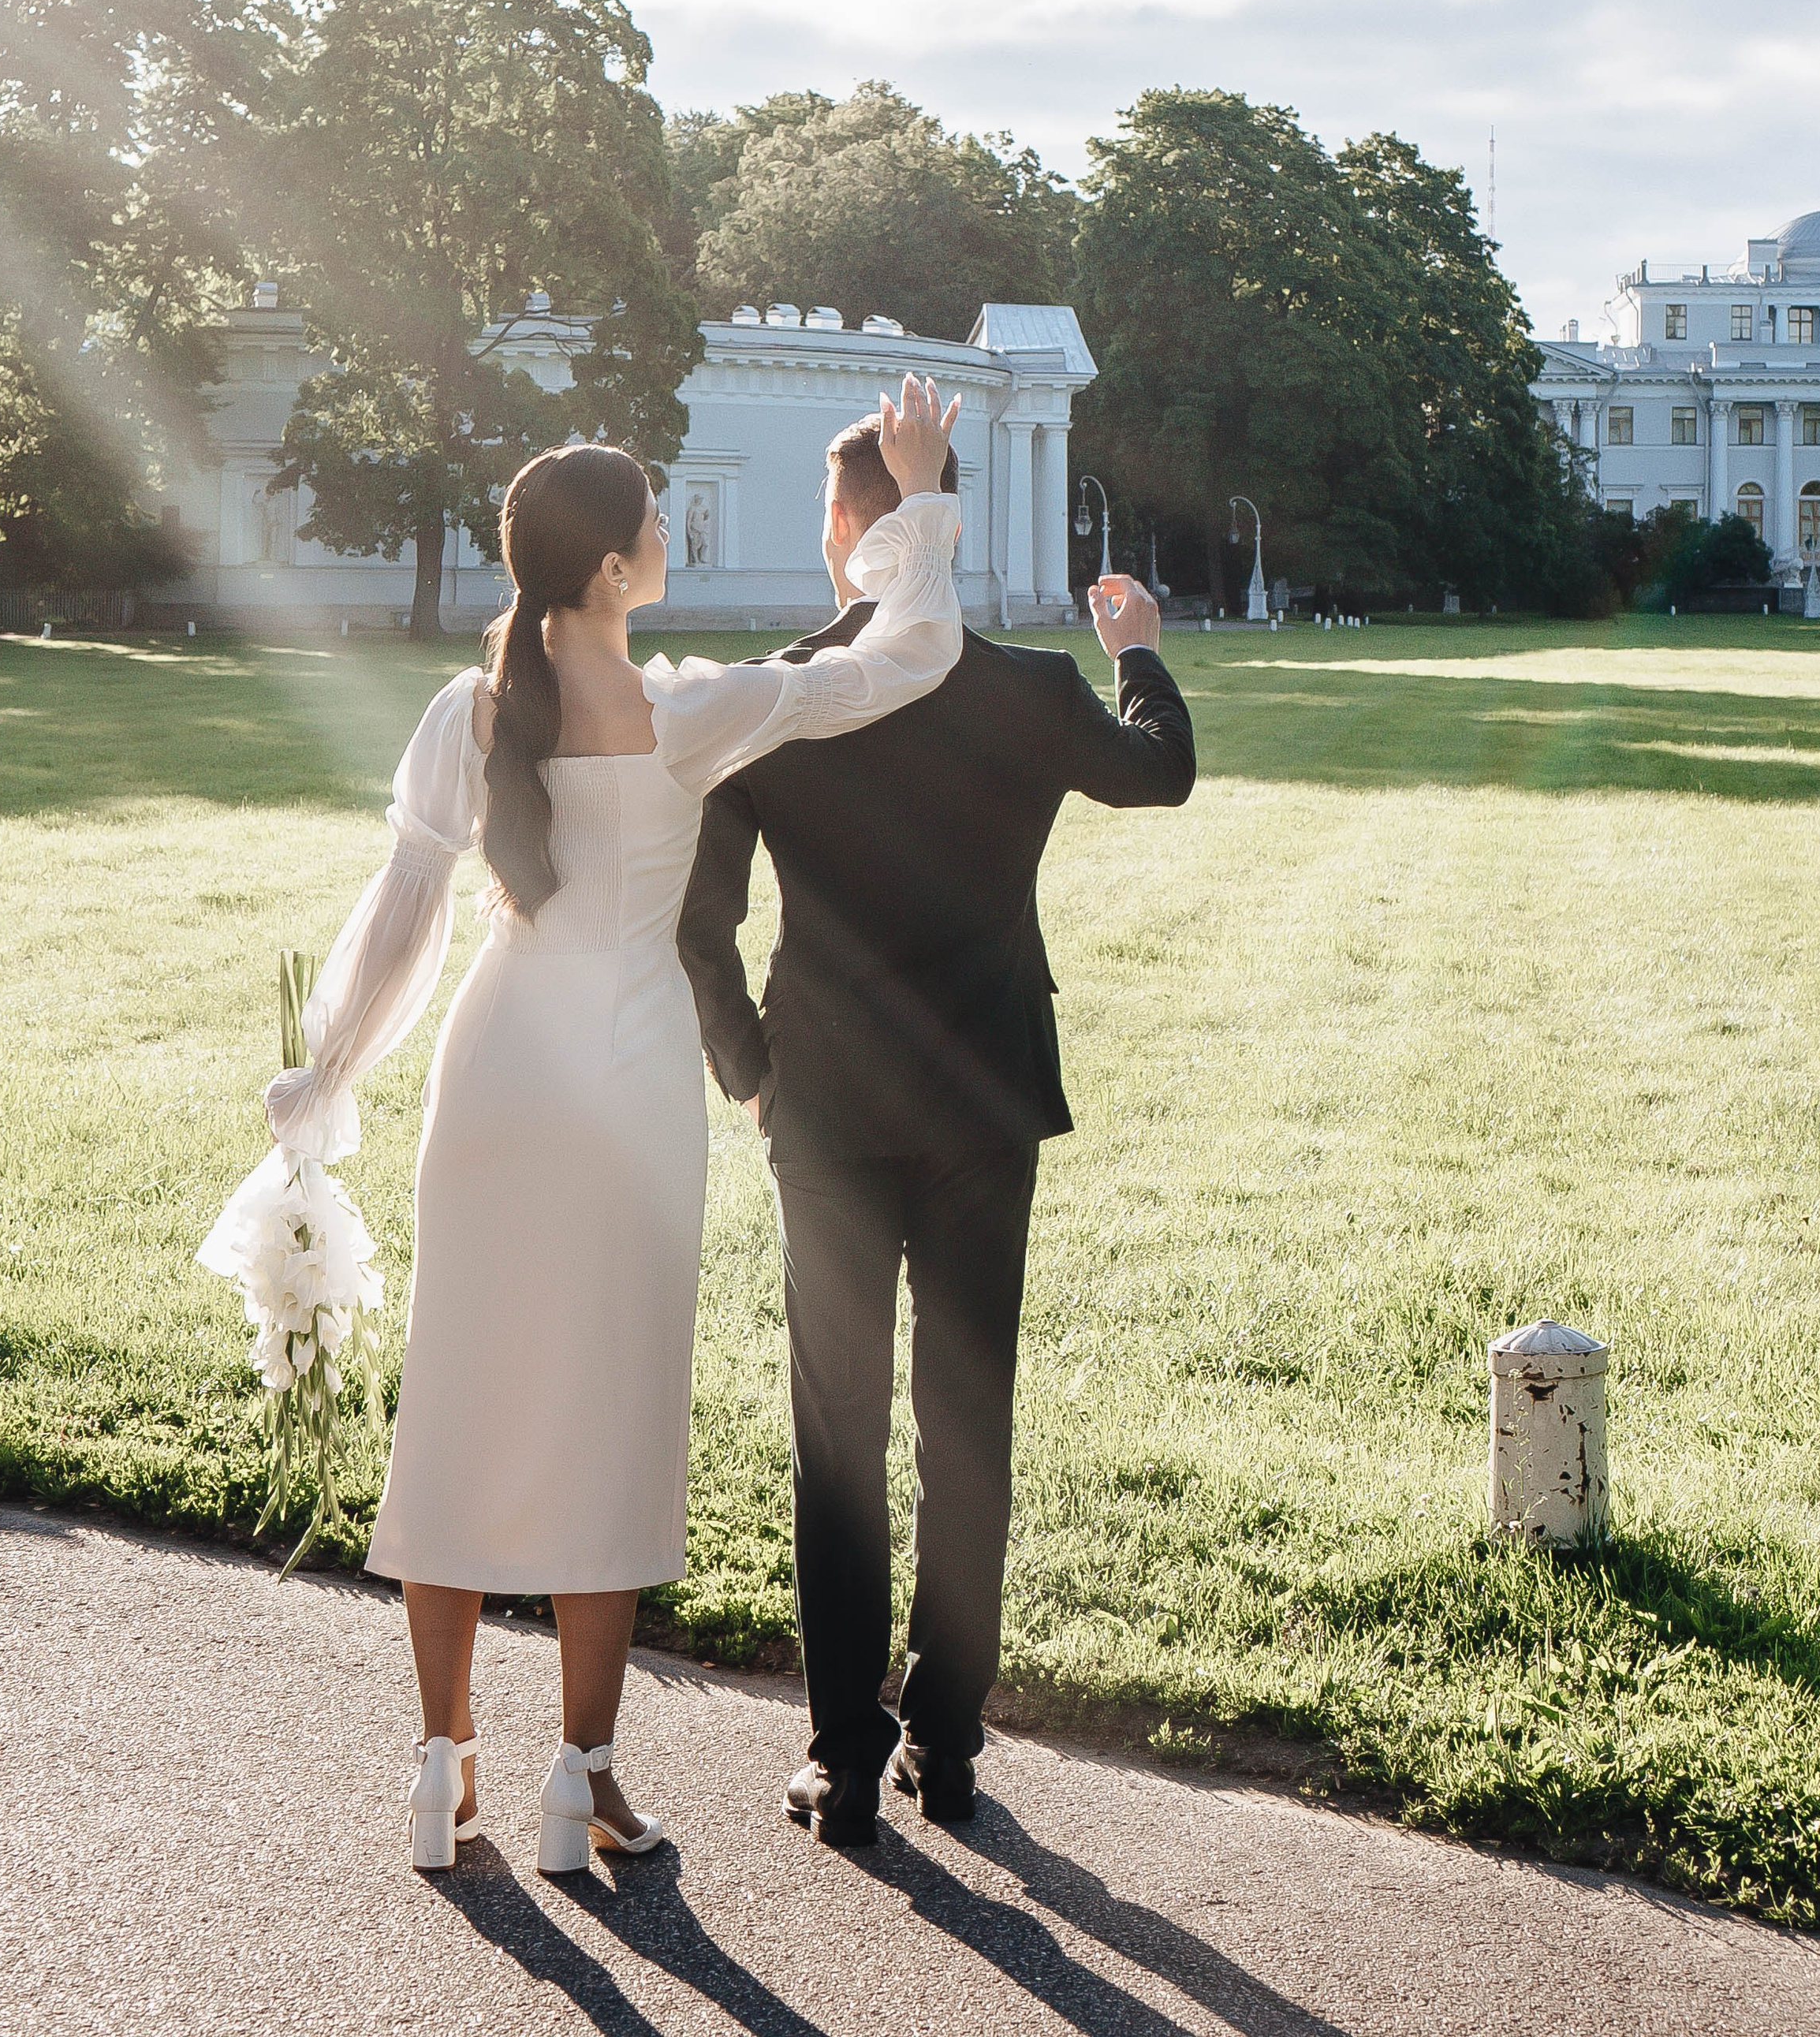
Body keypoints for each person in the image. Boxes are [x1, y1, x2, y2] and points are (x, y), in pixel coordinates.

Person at [203, 379, 961, 1875]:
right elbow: (908, 658)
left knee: (461, 1407)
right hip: (627, 1092)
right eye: (656, 521)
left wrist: (326, 1075)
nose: (672, 532)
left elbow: (404, 916)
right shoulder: (691, 713)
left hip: (494, 1077)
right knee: (611, 1419)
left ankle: (441, 1772)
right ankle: (581, 1783)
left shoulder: (470, 707)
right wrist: (921, 496)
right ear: (613, 569)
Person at [679, 414, 1195, 1846]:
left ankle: (846, 1754)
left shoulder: (785, 697)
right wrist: (1137, 649)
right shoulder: (1027, 688)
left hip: (828, 1100)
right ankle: (946, 1738)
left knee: (837, 1435)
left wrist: (748, 1068)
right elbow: (1160, 770)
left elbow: (698, 920)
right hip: (983, 1096)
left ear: (852, 531)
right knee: (969, 1426)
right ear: (942, 522)